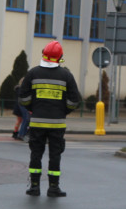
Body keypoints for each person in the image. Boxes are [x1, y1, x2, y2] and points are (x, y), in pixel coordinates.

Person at [18, 40, 80, 198]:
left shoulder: (33, 73)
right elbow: (74, 101)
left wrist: (33, 109)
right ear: (59, 57)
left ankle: (34, 187)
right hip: (57, 124)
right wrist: (63, 111)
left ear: (43, 54)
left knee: (36, 154)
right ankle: (53, 188)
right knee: (55, 155)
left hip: (37, 122)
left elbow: (23, 98)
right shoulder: (66, 75)